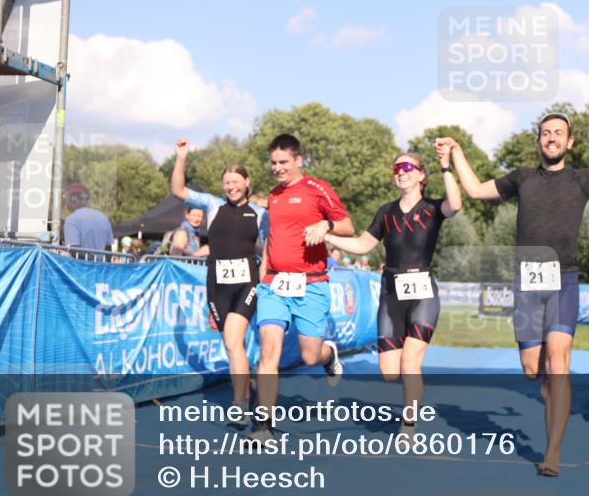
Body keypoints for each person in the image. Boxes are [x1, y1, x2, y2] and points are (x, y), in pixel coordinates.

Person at [440, 96, 589, 477]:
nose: (552, 138)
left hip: (564, 279)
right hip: (527, 282)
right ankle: (549, 389)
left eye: (559, 133)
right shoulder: (522, 178)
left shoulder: (583, 179)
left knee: (559, 363)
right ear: (538, 141)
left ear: (570, 142)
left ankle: (552, 453)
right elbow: (477, 190)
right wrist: (459, 152)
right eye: (546, 133)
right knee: (533, 369)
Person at [325, 149, 461, 434]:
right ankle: (410, 398)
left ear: (422, 175)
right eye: (396, 168)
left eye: (408, 166)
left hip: (423, 295)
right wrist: (325, 236)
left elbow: (456, 204)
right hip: (391, 296)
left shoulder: (433, 209)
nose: (401, 171)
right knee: (389, 373)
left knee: (411, 363)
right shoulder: (386, 212)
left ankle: (408, 423)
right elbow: (363, 245)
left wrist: (446, 166)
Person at [249, 133, 354, 441]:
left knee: (310, 356)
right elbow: (271, 237)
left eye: (283, 162)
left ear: (298, 160)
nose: (277, 168)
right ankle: (263, 427)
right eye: (273, 163)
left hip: (311, 284)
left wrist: (326, 225)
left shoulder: (317, 188)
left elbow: (348, 225)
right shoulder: (273, 196)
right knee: (269, 352)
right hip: (274, 284)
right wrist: (262, 274)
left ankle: (328, 355)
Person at [171, 138, 267, 428]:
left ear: (246, 183)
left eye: (236, 181)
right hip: (217, 284)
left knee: (233, 340)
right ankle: (245, 385)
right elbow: (178, 190)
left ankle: (239, 404)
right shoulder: (212, 205)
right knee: (230, 345)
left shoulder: (261, 214)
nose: (231, 186)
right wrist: (181, 158)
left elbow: (268, 249)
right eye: (227, 182)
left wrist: (264, 277)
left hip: (247, 284)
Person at [62, 183, 113, 251]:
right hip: (100, 262)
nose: (66, 202)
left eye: (66, 198)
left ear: (73, 200)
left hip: (80, 262)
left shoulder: (71, 220)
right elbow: (108, 250)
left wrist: (90, 260)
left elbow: (73, 249)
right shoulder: (103, 217)